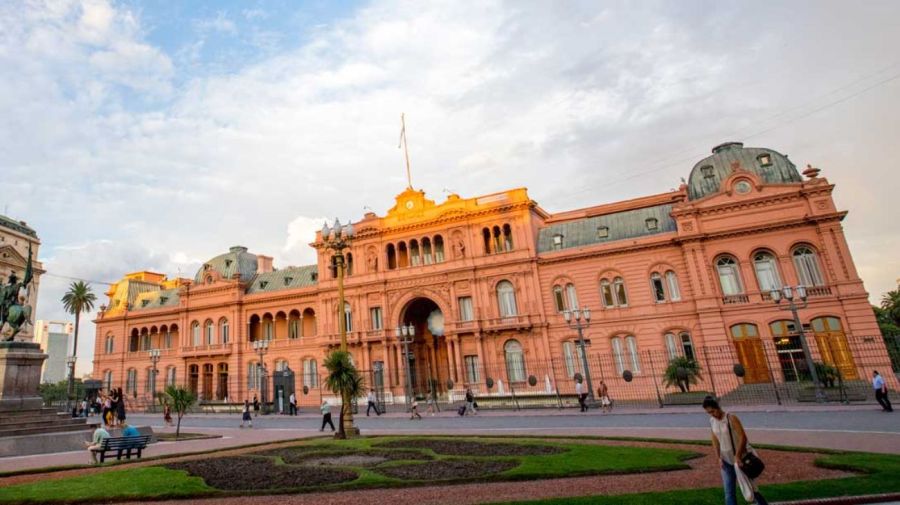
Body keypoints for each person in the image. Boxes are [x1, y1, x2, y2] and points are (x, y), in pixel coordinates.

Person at [703, 396, 769, 505]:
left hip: (740, 459)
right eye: (709, 413)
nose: (712, 414)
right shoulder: (712, 421)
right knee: (729, 492)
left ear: (718, 407)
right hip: (725, 460)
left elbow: (743, 437)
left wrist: (737, 456)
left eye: (713, 411)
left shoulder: (731, 418)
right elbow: (715, 439)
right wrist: (718, 457)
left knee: (750, 487)